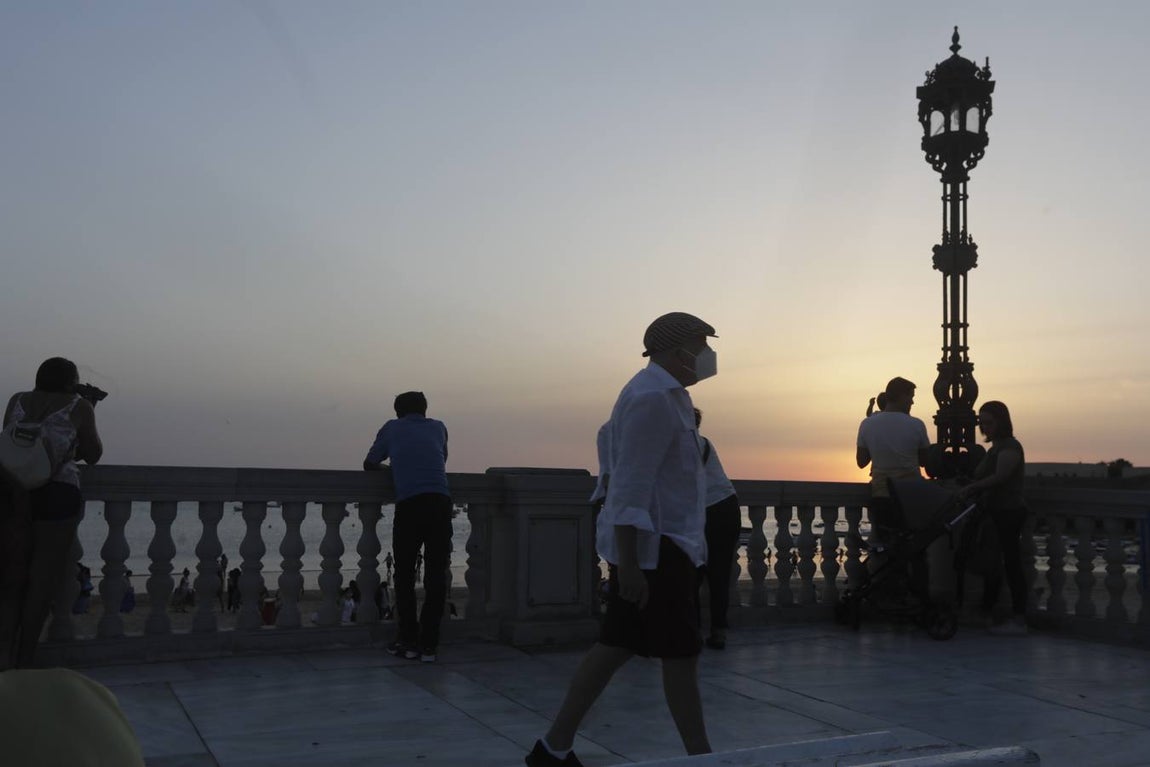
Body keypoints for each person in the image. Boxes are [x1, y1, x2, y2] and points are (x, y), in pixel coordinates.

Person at [527, 312, 719, 767]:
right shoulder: (650, 398)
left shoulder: (668, 397)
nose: (708, 355)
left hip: (666, 546)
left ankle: (553, 748)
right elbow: (631, 486)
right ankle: (702, 758)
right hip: (657, 550)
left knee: (617, 645)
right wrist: (631, 565)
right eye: (702, 344)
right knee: (679, 656)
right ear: (677, 352)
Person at [0, 357, 103, 670]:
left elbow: (9, 445)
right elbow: (94, 454)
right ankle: (25, 659)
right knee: (41, 583)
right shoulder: (80, 406)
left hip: (12, 493)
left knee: (11, 579)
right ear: (72, 381)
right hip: (56, 494)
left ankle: (3, 656)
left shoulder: (17, 400)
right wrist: (88, 407)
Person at [364, 391, 452, 663]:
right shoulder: (438, 428)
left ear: (397, 411)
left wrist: (395, 469)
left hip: (411, 502)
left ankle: (408, 640)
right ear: (425, 410)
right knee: (436, 574)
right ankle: (429, 645)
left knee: (404, 574)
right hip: (440, 500)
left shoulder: (392, 428)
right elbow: (442, 458)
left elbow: (370, 463)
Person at [958, 401, 1029, 636]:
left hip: (1008, 512)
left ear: (1002, 421)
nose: (984, 427)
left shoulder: (1010, 446)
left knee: (1010, 564)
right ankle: (986, 611)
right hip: (993, 512)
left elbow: (1001, 476)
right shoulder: (996, 447)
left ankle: (1018, 618)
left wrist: (974, 487)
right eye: (982, 422)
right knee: (992, 564)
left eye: (988, 422)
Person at [694, 408, 740, 651]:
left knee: (694, 573)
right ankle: (718, 631)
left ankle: (693, 632)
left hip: (711, 511)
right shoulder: (704, 443)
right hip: (727, 507)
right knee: (719, 575)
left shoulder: (688, 444)